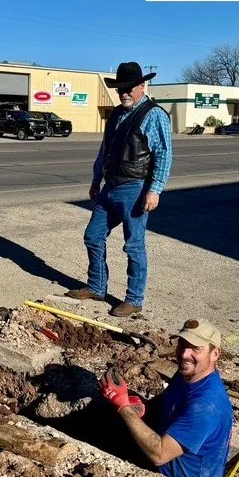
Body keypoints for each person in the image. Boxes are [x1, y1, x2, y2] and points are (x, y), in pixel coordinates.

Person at [66, 61, 173, 316]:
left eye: (129, 88)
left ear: (142, 86)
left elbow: (164, 154)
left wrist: (155, 189)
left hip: (135, 189)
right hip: (109, 187)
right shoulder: (115, 114)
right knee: (93, 236)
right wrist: (95, 180)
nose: (124, 93)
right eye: (120, 89)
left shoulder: (154, 114)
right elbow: (105, 150)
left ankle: (134, 299)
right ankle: (96, 286)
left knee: (134, 245)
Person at [99, 319, 233, 477]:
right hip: (164, 468)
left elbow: (159, 454)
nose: (185, 354)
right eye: (182, 345)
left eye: (195, 349)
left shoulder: (206, 406)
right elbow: (165, 402)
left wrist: (123, 406)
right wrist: (142, 406)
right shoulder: (186, 376)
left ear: (215, 354)